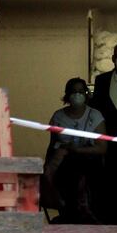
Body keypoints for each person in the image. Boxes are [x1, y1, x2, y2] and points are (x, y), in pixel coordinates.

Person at [42, 77, 107, 223]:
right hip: (64, 162)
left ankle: (84, 211)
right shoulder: (58, 117)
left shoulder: (95, 116)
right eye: (73, 92)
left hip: (89, 160)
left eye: (80, 91)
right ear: (67, 95)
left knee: (79, 170)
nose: (77, 95)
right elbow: (52, 145)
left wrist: (78, 150)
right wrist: (47, 165)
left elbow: (102, 148)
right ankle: (66, 211)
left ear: (86, 94)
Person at [92, 43, 117, 224]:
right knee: (108, 182)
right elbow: (96, 111)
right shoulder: (102, 81)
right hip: (107, 143)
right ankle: (108, 219)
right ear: (113, 58)